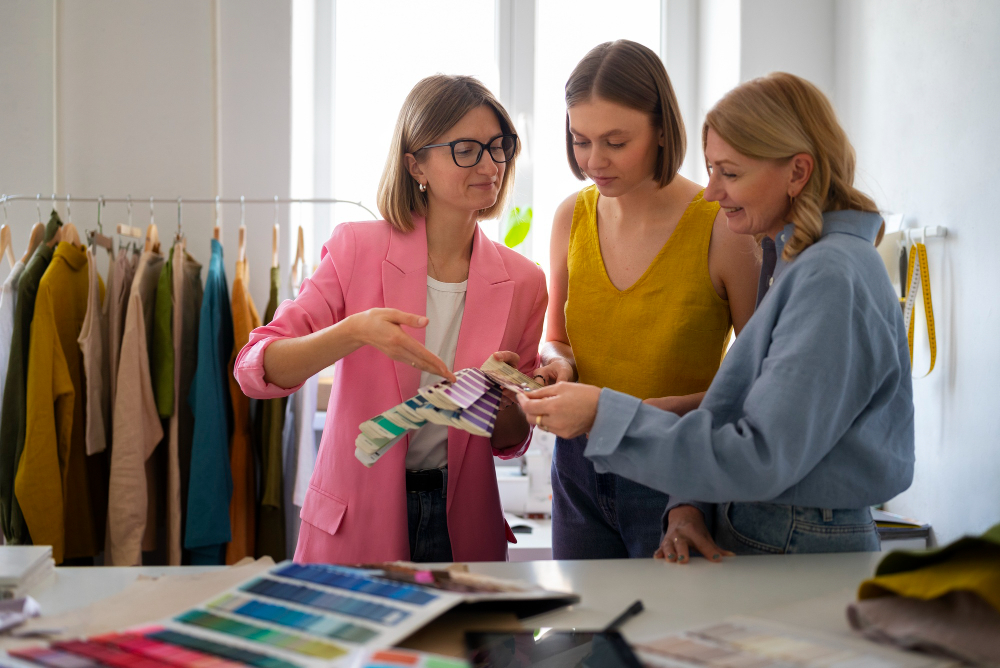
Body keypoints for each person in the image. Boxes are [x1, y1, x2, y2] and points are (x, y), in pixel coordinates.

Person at [518, 72, 914, 561]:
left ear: (797, 173)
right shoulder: (799, 261)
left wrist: (604, 413)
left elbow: (757, 451)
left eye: (729, 172)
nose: (711, 192)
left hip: (795, 530)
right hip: (757, 514)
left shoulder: (829, 275)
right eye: (710, 170)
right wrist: (686, 497)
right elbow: (737, 410)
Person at [235, 75, 547, 564]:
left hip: (461, 526)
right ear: (415, 163)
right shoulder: (356, 248)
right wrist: (352, 331)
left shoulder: (525, 281)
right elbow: (256, 369)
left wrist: (506, 398)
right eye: (466, 149)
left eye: (499, 146)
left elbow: (508, 440)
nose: (490, 165)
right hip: (355, 520)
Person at [533, 40, 759, 559]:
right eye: (581, 140)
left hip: (676, 475)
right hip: (578, 466)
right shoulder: (571, 215)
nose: (594, 160)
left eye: (615, 141)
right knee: (582, 634)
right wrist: (555, 370)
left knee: (668, 636)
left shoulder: (723, 227)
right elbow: (557, 340)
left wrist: (634, 413)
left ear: (662, 129)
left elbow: (754, 386)